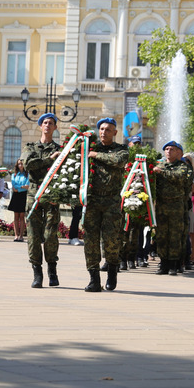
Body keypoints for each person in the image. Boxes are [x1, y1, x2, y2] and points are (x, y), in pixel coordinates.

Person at [82, 118, 130, 292]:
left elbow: (119, 161)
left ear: (115, 133)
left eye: (108, 130)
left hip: (111, 201)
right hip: (92, 200)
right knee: (91, 241)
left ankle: (112, 270)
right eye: (101, 129)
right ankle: (94, 278)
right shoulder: (90, 147)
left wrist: (97, 156)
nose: (104, 132)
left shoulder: (121, 149)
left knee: (111, 240)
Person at [20, 113, 63, 288]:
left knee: (50, 234)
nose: (47, 125)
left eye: (51, 123)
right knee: (33, 235)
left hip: (52, 195)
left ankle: (52, 271)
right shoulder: (30, 147)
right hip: (34, 194)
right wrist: (48, 159)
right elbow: (28, 164)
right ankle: (37, 273)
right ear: (40, 126)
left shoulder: (60, 149)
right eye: (45, 123)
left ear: (55, 127)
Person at [152, 141, 194, 275]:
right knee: (162, 235)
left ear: (178, 153)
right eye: (167, 149)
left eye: (172, 149)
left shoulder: (183, 166)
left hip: (177, 205)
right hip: (162, 205)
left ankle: (174, 264)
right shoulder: (159, 165)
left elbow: (181, 179)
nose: (169, 151)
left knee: (176, 235)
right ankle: (163, 262)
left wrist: (162, 172)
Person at [7, 159, 29, 242]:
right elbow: (14, 184)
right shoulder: (14, 175)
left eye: (22, 164)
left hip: (23, 195)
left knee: (22, 216)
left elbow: (27, 185)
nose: (20, 165)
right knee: (16, 216)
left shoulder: (27, 174)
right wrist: (21, 187)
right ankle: (16, 235)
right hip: (16, 195)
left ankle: (21, 235)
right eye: (19, 164)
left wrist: (20, 188)